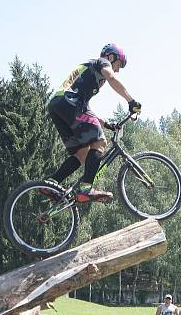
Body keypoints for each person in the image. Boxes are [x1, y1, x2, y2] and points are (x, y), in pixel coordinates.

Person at [43, 43, 141, 203]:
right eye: (118, 65)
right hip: (71, 103)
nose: (117, 70)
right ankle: (86, 188)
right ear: (111, 57)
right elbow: (111, 78)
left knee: (81, 154)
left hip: (58, 106)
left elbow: (86, 112)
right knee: (100, 141)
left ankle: (51, 183)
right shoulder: (102, 63)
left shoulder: (87, 76)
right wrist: (131, 101)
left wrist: (108, 124)